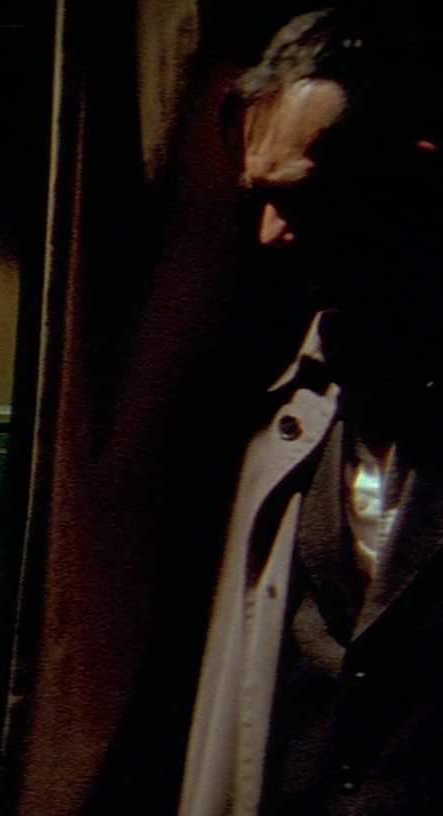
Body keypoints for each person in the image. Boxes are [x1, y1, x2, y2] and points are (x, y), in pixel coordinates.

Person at [181, 7, 443, 814]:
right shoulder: (289, 423)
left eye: (302, 197)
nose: (269, 234)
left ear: (419, 180)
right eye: (258, 198)